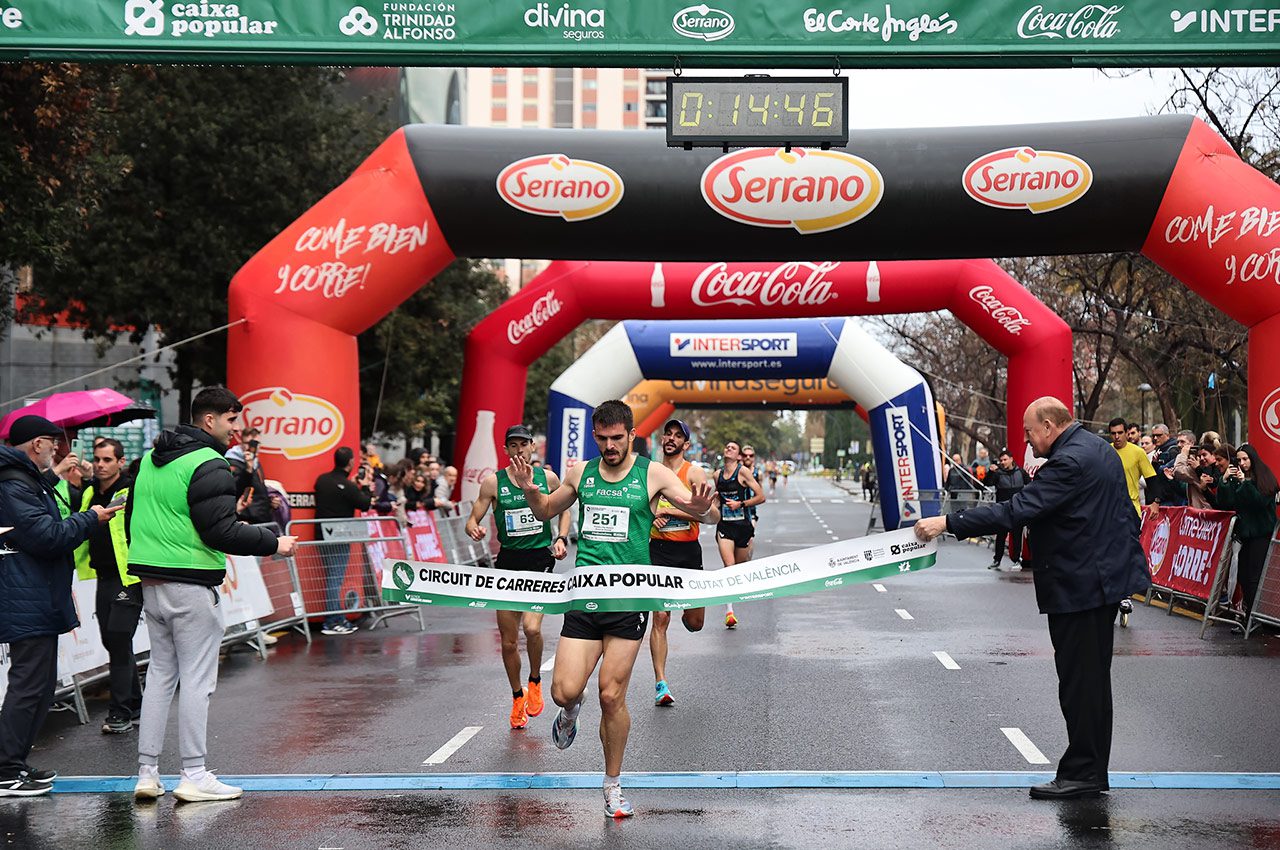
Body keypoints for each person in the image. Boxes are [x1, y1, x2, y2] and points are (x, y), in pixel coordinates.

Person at [913, 397, 1150, 800]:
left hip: (1082, 587)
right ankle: (1089, 770)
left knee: (1081, 686)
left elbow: (1018, 510)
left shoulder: (1069, 461)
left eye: (1028, 431)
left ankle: (1083, 774)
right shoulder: (1096, 449)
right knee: (1090, 684)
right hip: (1097, 582)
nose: (1026, 439)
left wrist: (949, 522)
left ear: (1048, 425)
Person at [508, 400, 715, 818]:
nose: (609, 446)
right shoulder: (581, 473)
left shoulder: (652, 473)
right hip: (586, 597)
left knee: (611, 694)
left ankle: (612, 785)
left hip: (629, 600)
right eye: (601, 439)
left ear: (631, 435)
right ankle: (571, 708)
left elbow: (706, 515)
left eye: (616, 438)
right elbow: (548, 510)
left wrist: (698, 506)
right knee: (563, 690)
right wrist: (532, 491)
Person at [127, 387, 296, 803]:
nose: (236, 429)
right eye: (232, 420)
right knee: (197, 683)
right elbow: (219, 531)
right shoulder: (210, 463)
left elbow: (133, 516)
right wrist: (274, 542)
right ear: (210, 420)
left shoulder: (150, 459)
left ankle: (148, 773)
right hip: (191, 582)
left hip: (151, 581)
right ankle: (195, 774)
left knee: (161, 679)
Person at [0, 416, 119, 797]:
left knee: (40, 686)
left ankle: (14, 763)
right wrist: (91, 517)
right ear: (37, 444)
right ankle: (5, 770)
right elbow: (47, 535)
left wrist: (55, 476)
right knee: (28, 686)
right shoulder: (11, 483)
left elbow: (34, 512)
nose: (58, 450)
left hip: (35, 594)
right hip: (26, 596)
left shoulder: (21, 478)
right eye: (54, 444)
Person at [464, 425, 571, 730]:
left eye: (524, 445)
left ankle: (535, 680)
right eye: (513, 445)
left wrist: (562, 537)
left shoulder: (546, 478)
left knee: (532, 627)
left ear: (532, 448)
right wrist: (474, 527)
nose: (519, 450)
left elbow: (564, 508)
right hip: (508, 563)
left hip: (539, 560)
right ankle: (516, 696)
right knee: (509, 642)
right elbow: (474, 516)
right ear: (506, 450)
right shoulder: (492, 483)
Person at [73, 438, 146, 734]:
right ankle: (136, 702)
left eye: (107, 460)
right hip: (102, 576)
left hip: (128, 575)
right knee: (112, 640)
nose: (101, 465)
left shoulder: (131, 490)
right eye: (98, 459)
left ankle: (119, 712)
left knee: (117, 637)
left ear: (120, 461)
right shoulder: (90, 491)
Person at [647, 420, 719, 707]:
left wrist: (677, 510)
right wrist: (652, 516)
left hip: (688, 552)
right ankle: (660, 683)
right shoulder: (651, 471)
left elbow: (710, 514)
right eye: (668, 433)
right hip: (658, 550)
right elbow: (640, 508)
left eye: (678, 436)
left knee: (695, 623)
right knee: (660, 617)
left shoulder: (694, 473)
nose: (671, 439)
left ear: (686, 445)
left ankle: (687, 611)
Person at [313, 447, 375, 636]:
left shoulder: (322, 480)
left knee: (332, 577)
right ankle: (332, 621)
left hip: (321, 533)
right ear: (350, 463)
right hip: (339, 536)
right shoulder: (348, 487)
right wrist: (363, 486)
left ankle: (335, 618)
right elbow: (364, 503)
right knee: (335, 578)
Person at [1215, 444, 1279, 621]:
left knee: (1254, 576)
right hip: (1243, 535)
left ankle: (1254, 617)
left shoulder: (1265, 478)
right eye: (1239, 459)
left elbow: (1258, 502)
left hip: (1261, 534)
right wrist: (1225, 481)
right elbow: (1225, 503)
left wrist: (1245, 483)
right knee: (1243, 575)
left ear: (1253, 459)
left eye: (1245, 459)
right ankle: (1247, 614)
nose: (1242, 463)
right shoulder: (1237, 477)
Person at [714, 440, 765, 629]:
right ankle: (729, 611)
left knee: (739, 568)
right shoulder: (717, 475)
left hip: (743, 526)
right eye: (726, 446)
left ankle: (746, 554)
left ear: (738, 456)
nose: (728, 448)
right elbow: (718, 501)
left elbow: (761, 496)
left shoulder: (743, 472)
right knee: (729, 566)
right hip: (725, 526)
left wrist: (740, 504)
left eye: (733, 448)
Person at [988, 448, 1030, 570]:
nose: (1003, 462)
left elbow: (1030, 484)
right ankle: (997, 560)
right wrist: (990, 472)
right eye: (1001, 460)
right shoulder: (997, 474)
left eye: (1005, 459)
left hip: (1018, 508)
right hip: (1002, 509)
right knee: (1001, 536)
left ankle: (1016, 559)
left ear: (1011, 459)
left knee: (1016, 535)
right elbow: (987, 482)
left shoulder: (1021, 472)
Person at [1107, 417, 1157, 516]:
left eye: (1120, 433)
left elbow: (1151, 479)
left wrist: (1156, 502)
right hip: (1110, 507)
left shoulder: (1138, 452)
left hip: (1131, 506)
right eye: (1113, 433)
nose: (1117, 436)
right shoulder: (1105, 451)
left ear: (1126, 433)